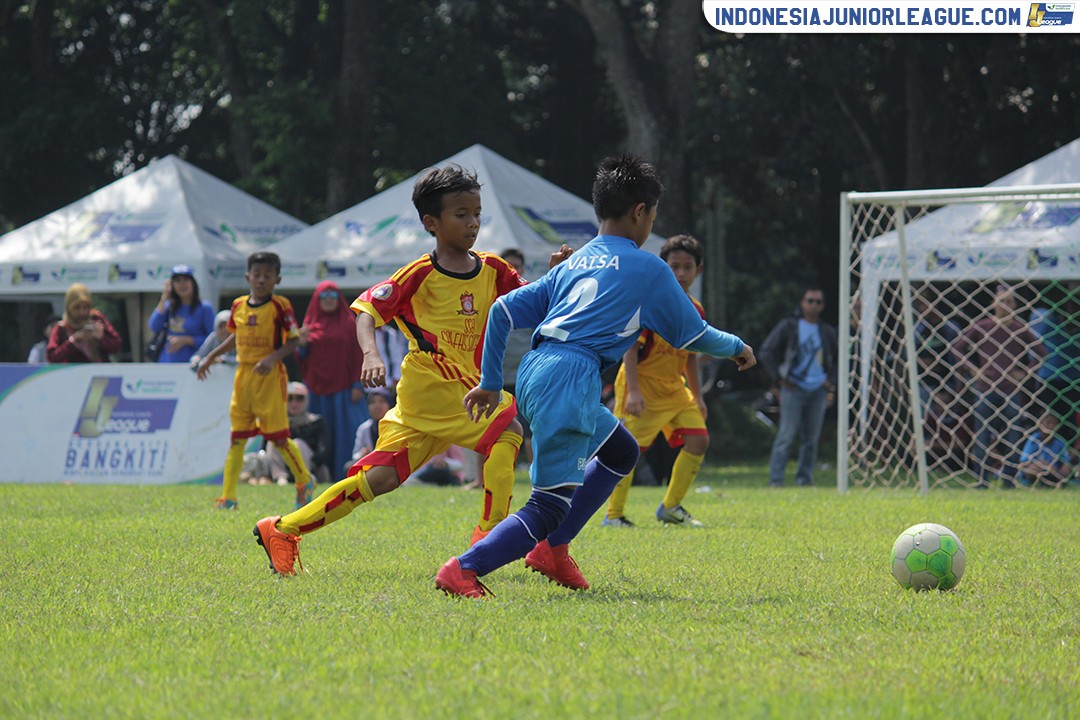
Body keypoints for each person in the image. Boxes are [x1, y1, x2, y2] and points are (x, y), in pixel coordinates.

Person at [435, 154, 756, 599]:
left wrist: (492, 381)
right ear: (641, 212)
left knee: (622, 450)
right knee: (548, 503)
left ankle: (553, 549)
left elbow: (505, 309)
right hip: (571, 377)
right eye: (653, 214)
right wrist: (738, 347)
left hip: (537, 370)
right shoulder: (648, 267)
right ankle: (464, 570)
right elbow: (692, 333)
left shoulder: (574, 262)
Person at [251, 164, 570, 576]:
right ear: (431, 223)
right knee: (508, 429)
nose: (472, 222)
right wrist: (370, 355)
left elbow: (538, 302)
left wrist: (558, 273)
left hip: (446, 394)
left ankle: (282, 529)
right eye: (461, 214)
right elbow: (365, 312)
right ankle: (488, 543)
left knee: (379, 478)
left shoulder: (493, 269)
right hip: (432, 383)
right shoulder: (419, 274)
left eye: (477, 212)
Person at [604, 234, 711, 528]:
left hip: (675, 388)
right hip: (641, 386)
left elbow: (690, 355)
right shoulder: (650, 302)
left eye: (687, 267)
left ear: (698, 270)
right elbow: (630, 348)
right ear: (663, 267)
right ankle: (613, 516)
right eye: (674, 266)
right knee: (627, 450)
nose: (680, 274)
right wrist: (634, 392)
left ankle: (671, 507)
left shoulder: (696, 309)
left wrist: (698, 397)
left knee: (699, 440)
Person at [196, 251, 315, 511]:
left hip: (269, 376)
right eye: (257, 275)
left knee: (278, 438)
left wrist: (272, 359)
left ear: (277, 280)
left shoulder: (280, 306)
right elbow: (234, 337)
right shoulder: (238, 305)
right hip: (244, 377)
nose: (261, 280)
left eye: (267, 276)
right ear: (247, 277)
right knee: (237, 438)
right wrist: (210, 357)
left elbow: (293, 340)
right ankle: (228, 498)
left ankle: (304, 481)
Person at [955, 284, 1046, 488]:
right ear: (994, 303)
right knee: (982, 435)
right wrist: (973, 370)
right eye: (1003, 301)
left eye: (1011, 302)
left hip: (1010, 391)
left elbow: (1041, 353)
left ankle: (1009, 480)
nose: (1006, 305)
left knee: (1013, 435)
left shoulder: (1019, 328)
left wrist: (1025, 373)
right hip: (985, 389)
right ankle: (981, 480)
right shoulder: (982, 326)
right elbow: (957, 348)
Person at [759, 286, 838, 487]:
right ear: (802, 302)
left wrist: (831, 382)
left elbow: (839, 359)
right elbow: (767, 350)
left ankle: (805, 480)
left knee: (811, 439)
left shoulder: (827, 331)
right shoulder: (789, 326)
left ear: (823, 306)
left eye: (818, 302)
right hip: (792, 388)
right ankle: (775, 480)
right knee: (786, 434)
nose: (814, 305)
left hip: (818, 390)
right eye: (810, 300)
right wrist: (779, 378)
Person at [297, 280, 368, 477]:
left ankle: (347, 475)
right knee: (317, 435)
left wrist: (357, 384)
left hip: (344, 391)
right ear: (316, 300)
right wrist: (301, 345)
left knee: (345, 434)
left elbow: (358, 355)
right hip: (316, 391)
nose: (328, 300)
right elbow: (303, 359)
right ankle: (317, 474)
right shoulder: (309, 326)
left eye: (333, 296)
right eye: (324, 296)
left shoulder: (349, 323)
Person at [1029, 281, 1080, 453]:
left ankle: (1068, 459)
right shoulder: (1048, 320)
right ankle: (1041, 456)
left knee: (1070, 421)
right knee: (1047, 419)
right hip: (1049, 378)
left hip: (1073, 380)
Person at [500, 248, 535, 469]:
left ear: (523, 269)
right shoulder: (489, 296)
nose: (513, 269)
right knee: (490, 427)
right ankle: (480, 478)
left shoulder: (533, 296)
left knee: (532, 428)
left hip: (527, 377)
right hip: (497, 376)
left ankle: (535, 476)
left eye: (517, 265)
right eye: (508, 265)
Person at [265, 382, 332, 486]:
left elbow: (324, 451)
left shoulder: (316, 421)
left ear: (306, 400)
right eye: (289, 398)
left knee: (297, 443)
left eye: (299, 398)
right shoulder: (278, 423)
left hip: (314, 470)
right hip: (287, 470)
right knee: (273, 442)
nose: (294, 403)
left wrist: (313, 464)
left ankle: (305, 478)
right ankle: (281, 478)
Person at [148, 264, 216, 364]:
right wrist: (164, 297)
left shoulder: (205, 308)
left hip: (193, 365)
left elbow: (214, 339)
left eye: (185, 280)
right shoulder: (169, 306)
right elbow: (154, 326)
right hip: (166, 363)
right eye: (177, 281)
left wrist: (188, 340)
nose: (182, 284)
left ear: (193, 283)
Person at [47, 283, 123, 363]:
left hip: (99, 373)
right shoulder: (62, 328)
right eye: (77, 308)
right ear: (69, 307)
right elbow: (52, 358)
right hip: (74, 374)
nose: (82, 312)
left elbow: (116, 346)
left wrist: (101, 338)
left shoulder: (96, 319)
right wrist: (73, 342)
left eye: (85, 307)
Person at [1017, 412, 1074, 488]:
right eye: (1048, 423)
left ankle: (1058, 484)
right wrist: (1043, 465)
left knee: (1067, 469)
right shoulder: (1034, 440)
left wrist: (1060, 470)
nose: (1051, 426)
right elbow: (1024, 461)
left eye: (1054, 424)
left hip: (1054, 470)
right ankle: (1032, 484)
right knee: (1032, 469)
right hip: (1039, 467)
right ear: (1040, 424)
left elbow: (1066, 461)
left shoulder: (1060, 442)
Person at [348, 386, 395, 472]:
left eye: (382, 401)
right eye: (372, 402)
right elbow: (355, 455)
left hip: (390, 466)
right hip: (369, 465)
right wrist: (362, 454)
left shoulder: (395, 427)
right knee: (348, 467)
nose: (377, 406)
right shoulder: (364, 428)